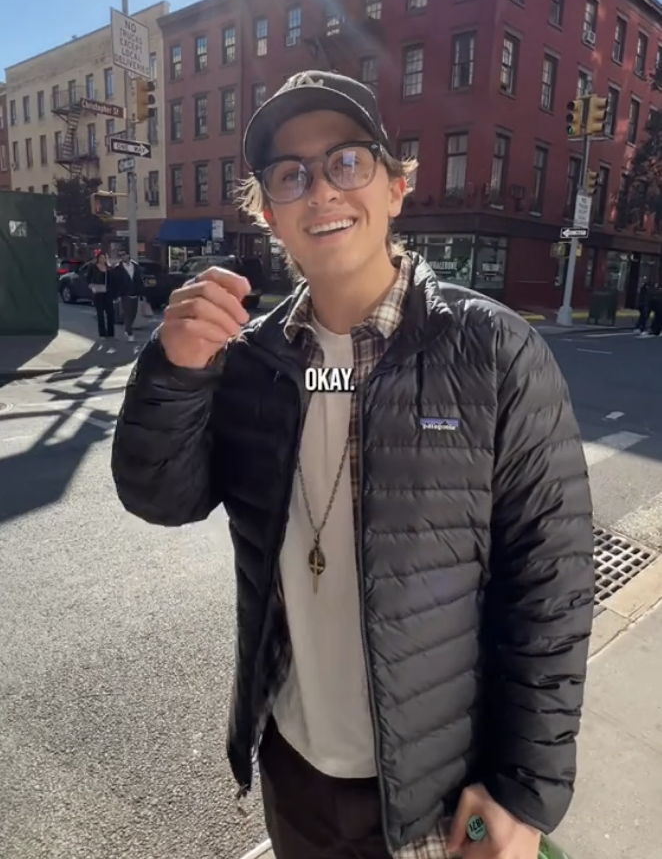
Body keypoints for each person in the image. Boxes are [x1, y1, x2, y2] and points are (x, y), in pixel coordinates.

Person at [111, 71, 595, 859]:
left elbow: (552, 581)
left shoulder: (492, 351)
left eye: (347, 162)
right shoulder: (250, 361)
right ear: (269, 214)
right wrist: (174, 370)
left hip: (439, 793)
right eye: (292, 175)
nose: (322, 191)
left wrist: (522, 788)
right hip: (294, 773)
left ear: (396, 187)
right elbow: (160, 497)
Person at [114, 249, 144, 342]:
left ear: (128, 255)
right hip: (124, 293)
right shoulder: (118, 268)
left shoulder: (135, 266)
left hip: (134, 292)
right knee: (127, 313)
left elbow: (139, 280)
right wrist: (116, 295)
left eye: (124, 254)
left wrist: (142, 292)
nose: (123, 256)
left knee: (133, 313)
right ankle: (130, 332)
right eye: (121, 255)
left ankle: (127, 328)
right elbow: (116, 283)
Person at [86, 250, 115, 340]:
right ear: (98, 258)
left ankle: (110, 334)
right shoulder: (93, 267)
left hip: (108, 293)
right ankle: (102, 334)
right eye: (101, 257)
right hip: (98, 293)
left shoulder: (109, 268)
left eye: (104, 257)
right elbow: (88, 279)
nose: (102, 259)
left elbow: (113, 281)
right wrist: (91, 287)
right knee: (100, 314)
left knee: (110, 313)